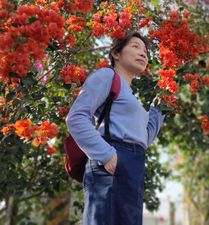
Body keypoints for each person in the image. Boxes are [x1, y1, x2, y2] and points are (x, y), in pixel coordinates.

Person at [66, 31, 165, 225]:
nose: (143, 53)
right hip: (111, 157)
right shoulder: (107, 76)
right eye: (135, 46)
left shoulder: (131, 97)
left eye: (145, 51)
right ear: (116, 54)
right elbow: (76, 117)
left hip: (134, 163)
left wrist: (160, 106)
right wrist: (106, 155)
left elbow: (143, 139)